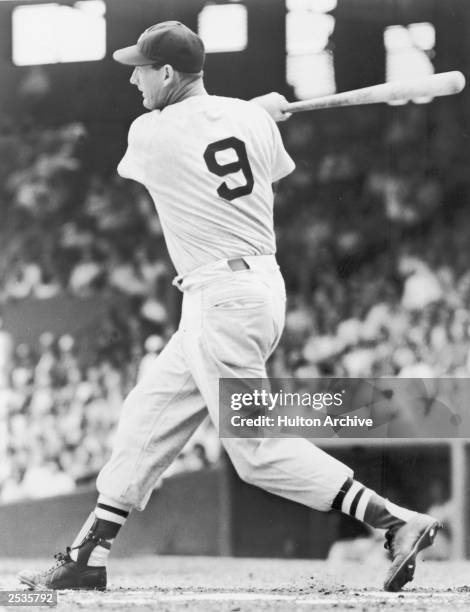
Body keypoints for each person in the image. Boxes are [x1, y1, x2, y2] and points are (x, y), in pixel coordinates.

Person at [19, 21, 440, 593]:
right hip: (245, 291)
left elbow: (184, 131)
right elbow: (237, 142)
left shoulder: (149, 133)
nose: (134, 80)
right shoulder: (250, 122)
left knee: (256, 449)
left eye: (141, 69)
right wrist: (252, 112)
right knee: (148, 412)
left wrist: (250, 110)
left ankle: (394, 522)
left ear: (167, 72)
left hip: (223, 297)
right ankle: (87, 554)